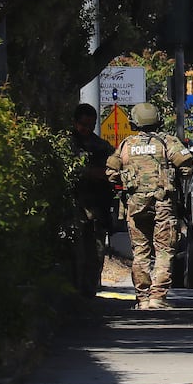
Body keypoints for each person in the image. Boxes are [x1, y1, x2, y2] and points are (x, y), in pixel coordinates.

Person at [106, 102, 193, 310]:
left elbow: (110, 172)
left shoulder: (126, 144)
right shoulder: (167, 141)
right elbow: (187, 166)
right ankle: (158, 297)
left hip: (135, 205)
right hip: (163, 203)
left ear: (135, 121)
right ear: (157, 119)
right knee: (164, 250)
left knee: (140, 251)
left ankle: (142, 298)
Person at [70, 102, 116, 297]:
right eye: (83, 124)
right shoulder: (68, 143)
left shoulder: (101, 146)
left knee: (96, 252)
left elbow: (112, 171)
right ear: (75, 122)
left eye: (91, 125)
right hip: (74, 207)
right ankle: (74, 290)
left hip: (97, 207)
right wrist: (90, 173)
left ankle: (90, 291)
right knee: (74, 252)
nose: (86, 129)